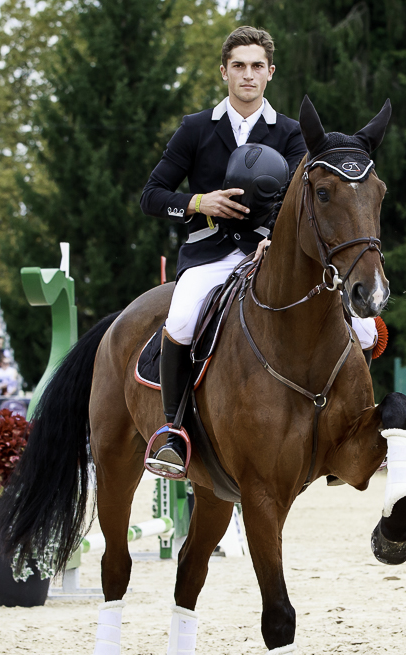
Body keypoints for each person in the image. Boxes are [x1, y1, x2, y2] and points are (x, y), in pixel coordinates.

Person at [140, 25, 307, 477]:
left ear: (270, 72)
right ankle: (172, 432)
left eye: (256, 67)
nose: (247, 75)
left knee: (358, 325)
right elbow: (151, 195)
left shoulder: (291, 134)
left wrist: (272, 236)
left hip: (268, 255)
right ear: (224, 72)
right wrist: (198, 202)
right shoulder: (196, 129)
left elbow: (299, 202)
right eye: (238, 66)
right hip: (209, 255)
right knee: (180, 317)